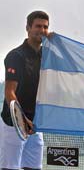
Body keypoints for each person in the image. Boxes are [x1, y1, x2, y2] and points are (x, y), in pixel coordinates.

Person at [0, 11, 50, 170]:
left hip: (36, 125)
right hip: (13, 124)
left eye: (45, 27)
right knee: (11, 168)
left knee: (34, 168)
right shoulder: (16, 56)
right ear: (28, 28)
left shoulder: (47, 56)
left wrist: (58, 42)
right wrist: (22, 119)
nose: (41, 30)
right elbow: (9, 93)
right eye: (38, 26)